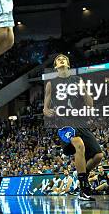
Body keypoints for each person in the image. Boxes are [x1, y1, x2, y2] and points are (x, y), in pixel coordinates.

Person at [43, 53, 103, 201]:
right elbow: (45, 107)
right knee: (79, 145)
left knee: (98, 156)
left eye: (64, 59)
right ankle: (84, 187)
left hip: (80, 120)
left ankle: (81, 173)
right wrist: (47, 111)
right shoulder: (51, 83)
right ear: (56, 66)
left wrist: (86, 92)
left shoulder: (78, 80)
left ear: (68, 64)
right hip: (63, 121)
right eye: (58, 59)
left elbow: (89, 103)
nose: (61, 60)